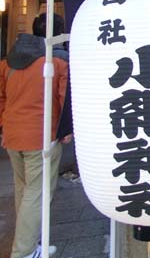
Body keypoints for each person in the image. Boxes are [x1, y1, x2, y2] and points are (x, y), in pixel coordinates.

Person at [0, 13, 72, 258]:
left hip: (12, 134)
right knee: (37, 192)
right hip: (41, 137)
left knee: (23, 189)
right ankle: (24, 250)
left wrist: (3, 126)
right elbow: (64, 99)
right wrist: (66, 130)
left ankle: (31, 240)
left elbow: (2, 99)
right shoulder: (56, 63)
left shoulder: (7, 64)